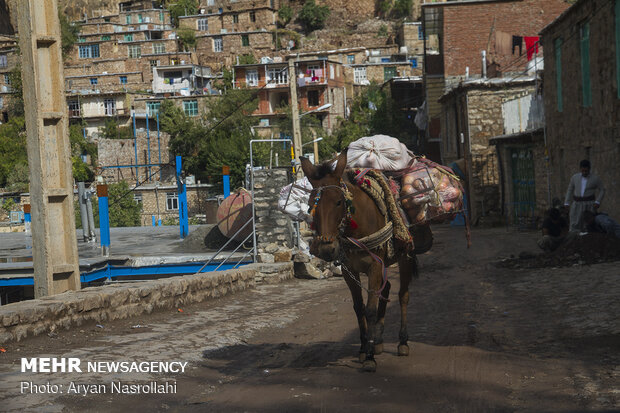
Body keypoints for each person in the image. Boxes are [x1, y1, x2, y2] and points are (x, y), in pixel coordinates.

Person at [564, 160, 605, 232]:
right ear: (580, 169)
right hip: (577, 204)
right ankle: (574, 239)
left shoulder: (595, 178)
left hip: (589, 204)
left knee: (588, 225)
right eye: (583, 171)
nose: (584, 173)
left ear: (589, 169)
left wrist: (598, 201)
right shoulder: (574, 178)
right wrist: (567, 202)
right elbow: (570, 189)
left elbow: (602, 189)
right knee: (575, 223)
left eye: (586, 171)